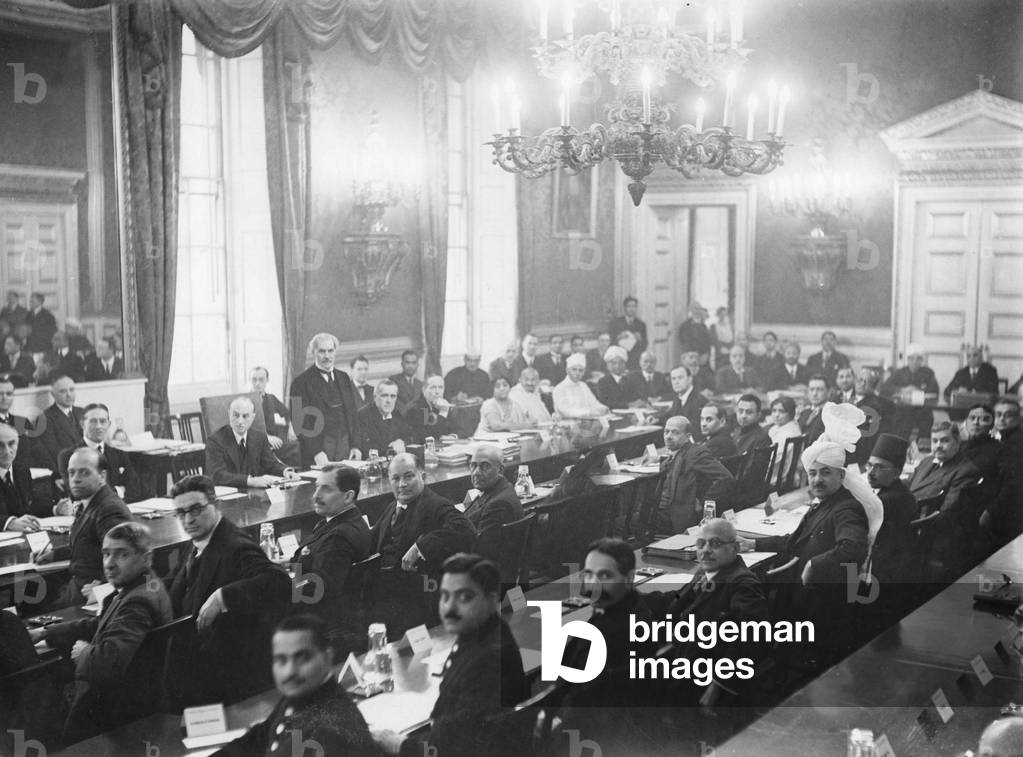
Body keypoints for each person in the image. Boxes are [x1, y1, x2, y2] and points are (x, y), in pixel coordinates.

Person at [740, 407, 875, 664]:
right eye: (812, 473)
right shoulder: (826, 503)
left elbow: (854, 548)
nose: (817, 480)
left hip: (817, 605)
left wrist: (815, 563)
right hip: (803, 597)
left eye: (825, 473)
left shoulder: (846, 507)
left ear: (841, 475)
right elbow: (797, 541)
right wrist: (753, 543)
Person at [371, 554, 529, 757]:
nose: (449, 608)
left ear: (491, 600)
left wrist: (398, 744)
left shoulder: (488, 660)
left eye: (464, 597)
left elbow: (448, 752)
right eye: (445, 596)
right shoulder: (486, 632)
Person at [31, 522, 172, 741]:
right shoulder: (144, 585)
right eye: (106, 554)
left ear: (146, 558)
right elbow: (101, 624)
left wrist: (84, 651)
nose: (109, 564)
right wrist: (47, 632)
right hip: (124, 698)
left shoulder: (137, 602)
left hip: (117, 711)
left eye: (121, 555)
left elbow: (107, 663)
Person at [165, 475, 291, 706]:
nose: (188, 519)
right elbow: (178, 581)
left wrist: (222, 597)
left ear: (216, 505)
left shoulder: (235, 545)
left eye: (196, 509)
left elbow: (278, 580)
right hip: (197, 660)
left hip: (227, 674)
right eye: (181, 513)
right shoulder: (197, 541)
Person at [214, 614, 375, 757]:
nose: (289, 672)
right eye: (281, 660)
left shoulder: (332, 729)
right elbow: (259, 738)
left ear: (327, 658)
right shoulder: (300, 696)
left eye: (302, 658)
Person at [647, 518, 769, 698]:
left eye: (715, 544)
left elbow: (755, 635)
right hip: (682, 656)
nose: (705, 550)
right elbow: (678, 599)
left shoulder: (742, 584)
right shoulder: (707, 573)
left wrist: (718, 685)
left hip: (701, 678)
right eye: (701, 543)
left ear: (735, 548)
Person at [371, 454, 474, 636]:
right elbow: (372, 540)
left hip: (418, 598)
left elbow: (466, 529)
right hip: (387, 591)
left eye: (409, 476)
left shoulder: (435, 504)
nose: (402, 484)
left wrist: (420, 547)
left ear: (423, 477)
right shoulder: (391, 508)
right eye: (396, 478)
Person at [290, 466, 373, 651]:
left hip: (323, 624)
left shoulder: (339, 536)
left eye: (326, 489)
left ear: (348, 496)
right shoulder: (348, 521)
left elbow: (317, 589)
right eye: (317, 487)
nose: (316, 495)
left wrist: (282, 581)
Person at [37, 447, 132, 607]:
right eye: (71, 473)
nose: (75, 479)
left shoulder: (109, 509)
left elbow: (123, 556)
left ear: (102, 476)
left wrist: (103, 586)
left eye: (84, 473)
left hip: (87, 594)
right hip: (75, 586)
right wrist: (54, 554)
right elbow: (89, 545)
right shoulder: (89, 502)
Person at [907, 421, 982, 576]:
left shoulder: (965, 470)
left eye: (945, 440)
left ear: (957, 442)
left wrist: (907, 525)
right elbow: (908, 488)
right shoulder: (927, 461)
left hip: (929, 533)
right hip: (911, 519)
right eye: (935, 441)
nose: (938, 446)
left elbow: (947, 512)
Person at [289, 333, 362, 467]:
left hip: (345, 449)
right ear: (313, 353)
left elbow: (353, 415)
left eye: (330, 351)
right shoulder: (299, 382)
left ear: (335, 352)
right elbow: (298, 423)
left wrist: (356, 446)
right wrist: (316, 452)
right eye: (322, 351)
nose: (327, 356)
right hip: (318, 453)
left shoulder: (344, 377)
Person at [656, 416, 735, 531]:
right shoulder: (674, 455)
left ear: (688, 436)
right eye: (666, 432)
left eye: (675, 433)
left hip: (675, 517)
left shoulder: (696, 453)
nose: (668, 436)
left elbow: (725, 478)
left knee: (621, 523)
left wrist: (704, 504)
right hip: (662, 510)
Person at [204, 396, 298, 488]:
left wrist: (286, 472)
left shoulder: (259, 437)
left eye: (245, 416)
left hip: (254, 494)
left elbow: (271, 464)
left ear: (253, 417)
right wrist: (251, 481)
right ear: (229, 414)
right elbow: (218, 475)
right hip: (228, 495)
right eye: (236, 415)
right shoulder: (215, 441)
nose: (240, 421)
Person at [863, 434, 917, 592]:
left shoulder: (888, 500)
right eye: (869, 465)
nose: (871, 472)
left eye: (879, 467)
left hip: (879, 574)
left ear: (896, 473)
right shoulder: (899, 491)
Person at [57, 402, 142, 502]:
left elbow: (135, 491)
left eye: (103, 421)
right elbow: (78, 493)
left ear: (109, 424)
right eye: (93, 421)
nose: (98, 426)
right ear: (82, 424)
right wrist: (119, 491)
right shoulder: (69, 455)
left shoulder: (119, 455)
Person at [881, 343, 940, 440]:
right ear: (907, 360)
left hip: (922, 411)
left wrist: (918, 390)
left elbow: (935, 390)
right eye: (912, 358)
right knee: (900, 425)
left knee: (927, 421)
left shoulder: (928, 372)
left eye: (918, 359)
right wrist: (902, 389)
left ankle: (921, 447)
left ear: (921, 361)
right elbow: (885, 387)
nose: (915, 361)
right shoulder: (900, 372)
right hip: (903, 411)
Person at [462, 444, 523, 533]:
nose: (476, 473)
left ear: (500, 470)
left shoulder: (498, 504)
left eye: (485, 466)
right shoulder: (502, 487)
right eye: (473, 465)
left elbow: (480, 544)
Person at [250, 365, 300, 467]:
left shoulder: (271, 398)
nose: (257, 383)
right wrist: (266, 437)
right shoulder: (244, 401)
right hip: (256, 444)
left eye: (261, 380)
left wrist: (292, 427)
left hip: (274, 441)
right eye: (254, 380)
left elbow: (288, 413)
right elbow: (244, 428)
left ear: (267, 380)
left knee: (300, 446)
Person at [33, 373, 84, 470]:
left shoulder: (83, 412)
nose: (68, 394)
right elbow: (52, 453)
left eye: (71, 390)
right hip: (66, 470)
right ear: (53, 394)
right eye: (63, 391)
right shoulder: (44, 419)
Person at [850, 367, 896, 466]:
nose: (862, 384)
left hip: (863, 453)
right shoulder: (848, 400)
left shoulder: (881, 405)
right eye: (860, 380)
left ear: (874, 386)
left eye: (868, 382)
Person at [356, 379, 412, 457]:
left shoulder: (396, 414)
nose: (389, 401)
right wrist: (391, 447)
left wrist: (401, 441)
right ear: (375, 397)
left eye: (393, 396)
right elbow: (367, 449)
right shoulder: (363, 416)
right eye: (384, 395)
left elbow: (409, 436)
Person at [0, 424, 40, 531]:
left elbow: (32, 506)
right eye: (0, 445)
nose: (7, 451)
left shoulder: (22, 470)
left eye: (11, 444)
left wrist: (56, 509)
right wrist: (9, 522)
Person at [553, 354, 608, 419]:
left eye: (580, 370)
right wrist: (588, 413)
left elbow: (594, 403)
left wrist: (603, 408)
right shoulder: (559, 388)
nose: (577, 373)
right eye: (574, 369)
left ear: (584, 372)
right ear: (567, 370)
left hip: (587, 422)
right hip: (567, 424)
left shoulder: (583, 386)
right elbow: (565, 411)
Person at [405, 374, 458, 442]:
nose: (437, 392)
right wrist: (443, 413)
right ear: (424, 390)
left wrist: (452, 436)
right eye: (433, 387)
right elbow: (428, 437)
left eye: (440, 387)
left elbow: (457, 428)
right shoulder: (415, 408)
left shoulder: (440, 404)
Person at [0, 377, 35, 465]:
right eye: (0, 394)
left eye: (8, 394)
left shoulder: (23, 422)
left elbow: (37, 451)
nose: (4, 398)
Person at [608, 296, 648, 369]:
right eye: (629, 306)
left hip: (635, 361)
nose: (631, 309)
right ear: (624, 308)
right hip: (620, 359)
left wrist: (640, 340)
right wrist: (619, 337)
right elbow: (611, 343)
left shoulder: (641, 324)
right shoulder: (616, 323)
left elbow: (644, 346)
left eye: (634, 306)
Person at [666, 365, 707, 435]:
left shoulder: (699, 400)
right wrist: (656, 418)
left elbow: (696, 429)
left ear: (690, 379)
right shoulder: (678, 397)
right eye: (673, 379)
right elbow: (671, 415)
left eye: (680, 378)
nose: (676, 382)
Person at [389, 350, 423, 414]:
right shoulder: (394, 380)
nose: (410, 366)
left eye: (413, 363)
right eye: (407, 363)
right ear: (402, 364)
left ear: (417, 365)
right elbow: (393, 403)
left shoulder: (420, 385)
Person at [799, 375, 830, 442]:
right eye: (811, 389)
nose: (814, 394)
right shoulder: (804, 413)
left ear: (828, 392)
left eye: (819, 390)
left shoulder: (830, 414)